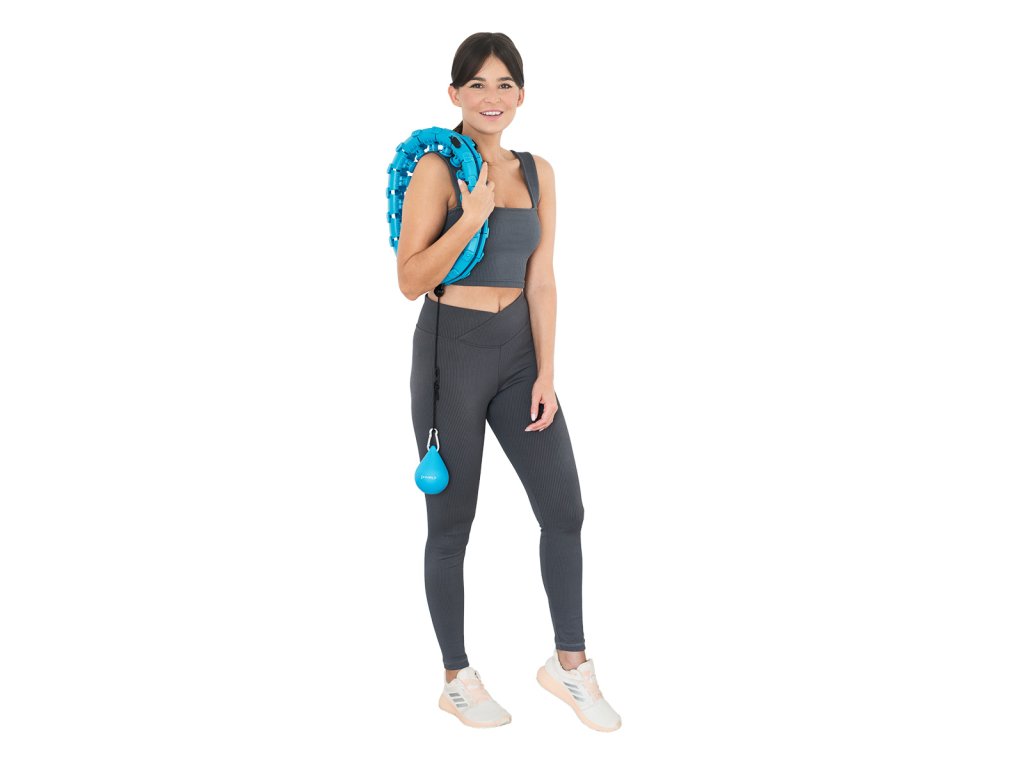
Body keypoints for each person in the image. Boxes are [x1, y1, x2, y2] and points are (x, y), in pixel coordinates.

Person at [396, 32, 621, 732]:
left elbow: (542, 278)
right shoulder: (438, 170)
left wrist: (547, 370)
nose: (491, 98)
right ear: (454, 94)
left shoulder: (538, 171)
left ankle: (569, 664)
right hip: (452, 354)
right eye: (477, 85)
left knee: (565, 511)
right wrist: (471, 217)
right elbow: (410, 280)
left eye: (504, 85)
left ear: (521, 94)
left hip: (520, 355)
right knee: (451, 524)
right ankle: (456, 677)